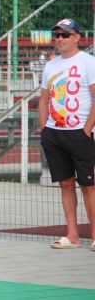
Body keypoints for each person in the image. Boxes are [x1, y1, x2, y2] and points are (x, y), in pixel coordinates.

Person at [39, 18, 95, 250]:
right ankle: (72, 236)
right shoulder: (51, 65)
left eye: (64, 35)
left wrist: (86, 129)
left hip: (79, 133)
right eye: (56, 35)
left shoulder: (88, 62)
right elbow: (44, 99)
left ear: (76, 37)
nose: (59, 39)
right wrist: (45, 129)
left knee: (89, 185)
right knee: (65, 183)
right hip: (55, 133)